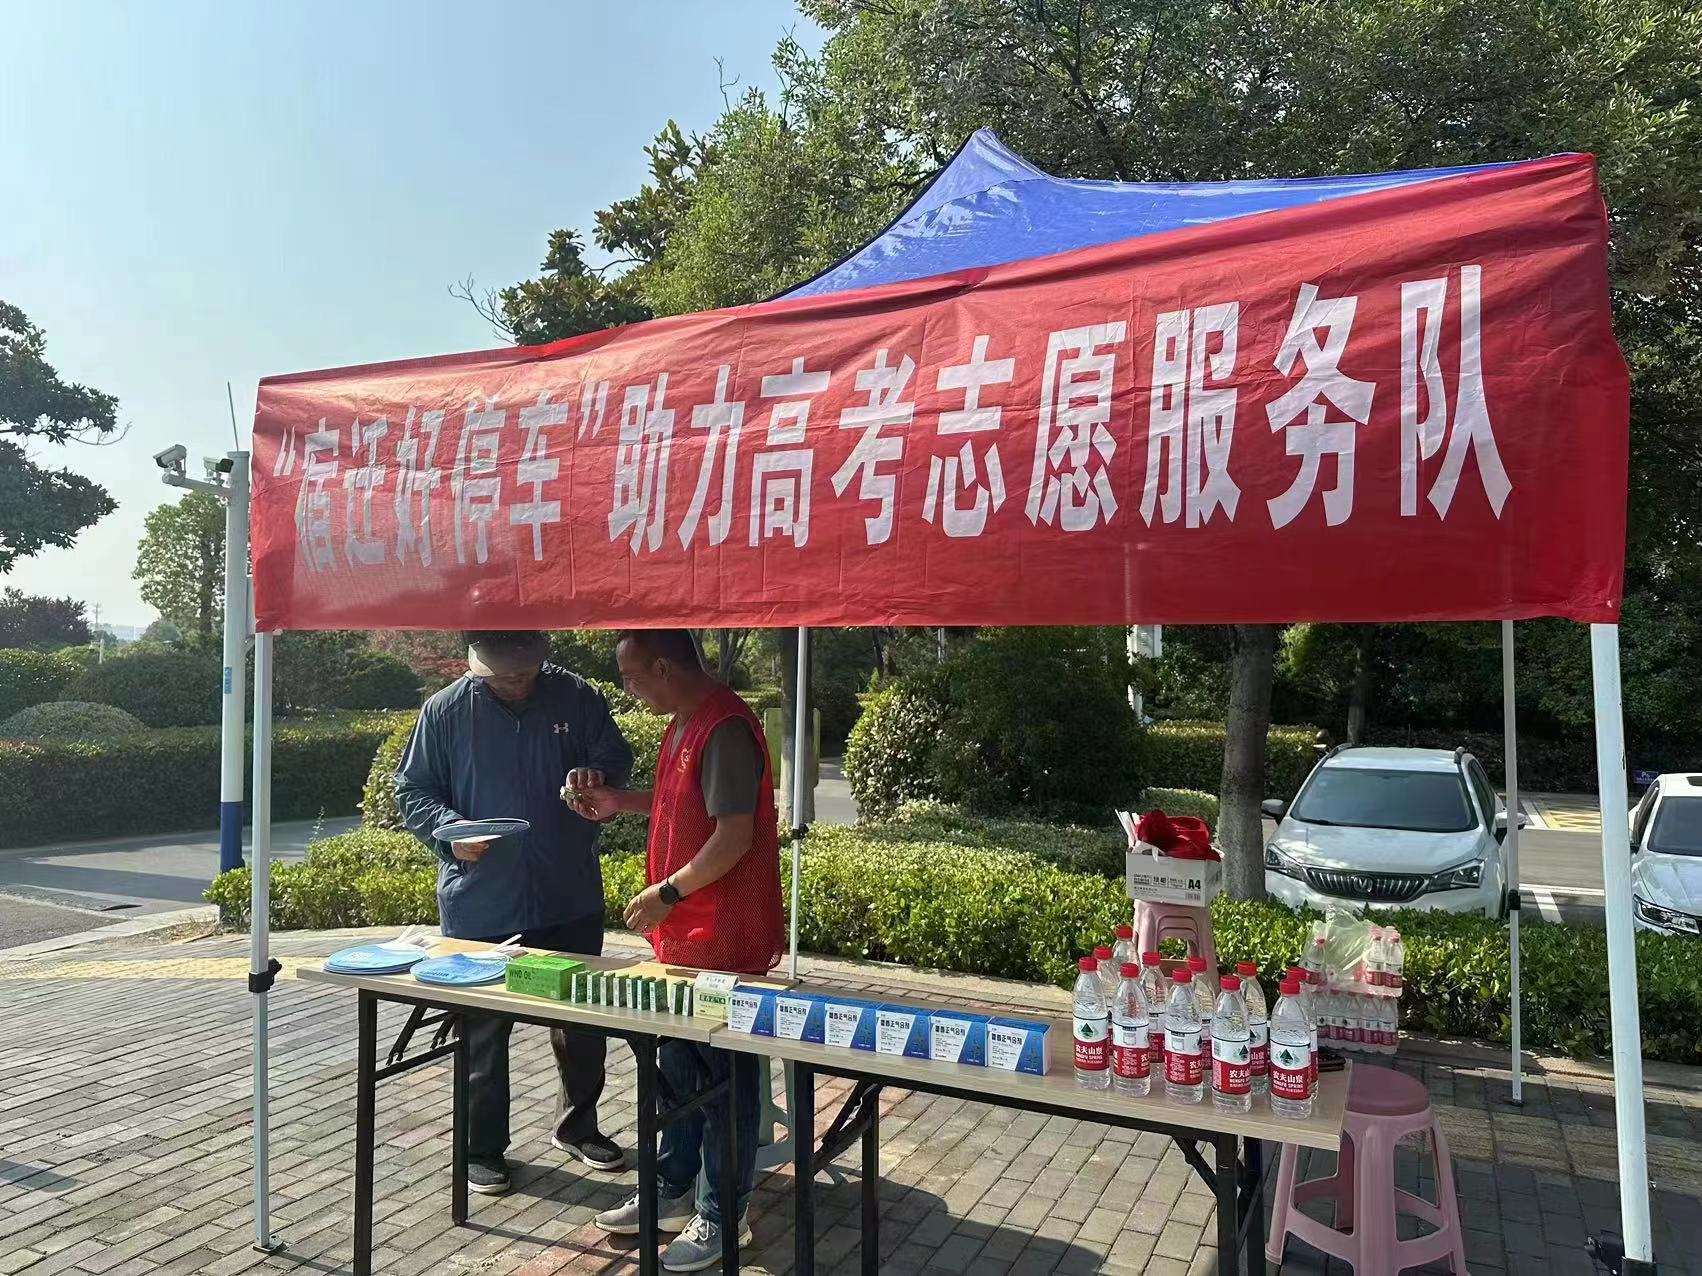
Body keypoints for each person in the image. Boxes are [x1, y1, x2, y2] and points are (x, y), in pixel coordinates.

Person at [571, 629, 783, 1273]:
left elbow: (734, 836)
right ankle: (672, 1185)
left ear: (663, 667)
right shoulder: (685, 721)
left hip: (724, 938)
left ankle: (723, 1211)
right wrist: (620, 802)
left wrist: (667, 891)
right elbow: (678, 804)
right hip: (686, 938)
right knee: (680, 1072)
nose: (629, 690)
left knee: (726, 1082)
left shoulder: (724, 727)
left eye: (632, 677)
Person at [395, 630, 634, 1196]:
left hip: (567, 891)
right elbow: (412, 790)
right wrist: (448, 832)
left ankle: (579, 1127)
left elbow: (615, 758)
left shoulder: (576, 696)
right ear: (476, 663)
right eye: (502, 675)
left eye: (525, 672)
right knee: (482, 1031)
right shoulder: (446, 711)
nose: (516, 682)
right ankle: (481, 1148)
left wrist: (596, 777)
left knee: (581, 1020)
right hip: (482, 900)